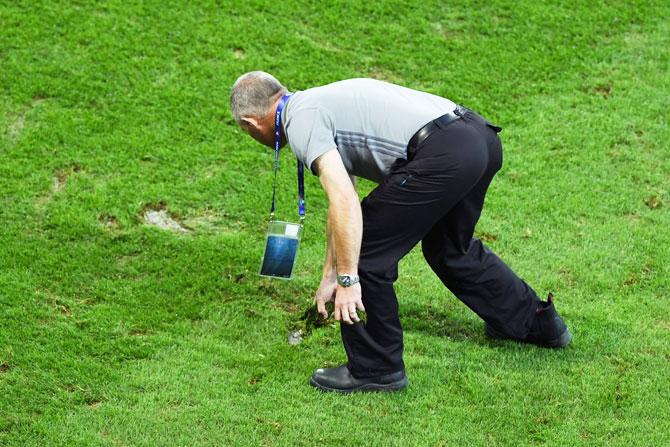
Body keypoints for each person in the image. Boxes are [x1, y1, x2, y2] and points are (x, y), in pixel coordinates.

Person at [230, 71, 572, 393]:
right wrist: (329, 274)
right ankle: (538, 324)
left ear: (250, 122)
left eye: (246, 131)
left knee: (365, 254)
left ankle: (376, 368)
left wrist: (348, 279)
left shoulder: (300, 121)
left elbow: (346, 202)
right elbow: (342, 200)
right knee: (451, 249)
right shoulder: (315, 102)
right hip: (477, 137)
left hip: (443, 153)